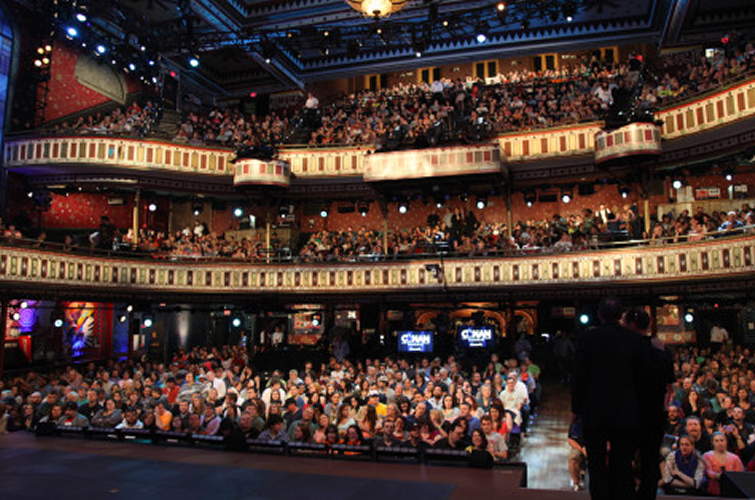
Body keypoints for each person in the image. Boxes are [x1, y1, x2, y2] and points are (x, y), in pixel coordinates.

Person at [571, 297, 646, 500]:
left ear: (599, 315)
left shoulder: (587, 339)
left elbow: (578, 377)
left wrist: (576, 409)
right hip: (626, 412)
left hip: (595, 412)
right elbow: (642, 379)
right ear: (622, 315)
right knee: (623, 464)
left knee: (596, 466)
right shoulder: (634, 340)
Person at [624, 307, 674, 500]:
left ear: (631, 325)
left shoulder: (627, 350)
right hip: (653, 414)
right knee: (650, 460)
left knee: (625, 458)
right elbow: (669, 386)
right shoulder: (661, 348)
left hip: (630, 412)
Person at [703, 431, 744, 496]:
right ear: (712, 443)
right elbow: (708, 472)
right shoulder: (707, 456)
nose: (720, 443)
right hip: (713, 492)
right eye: (716, 441)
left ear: (726, 442)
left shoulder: (735, 458)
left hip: (731, 491)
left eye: (722, 440)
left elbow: (740, 474)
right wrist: (722, 477)